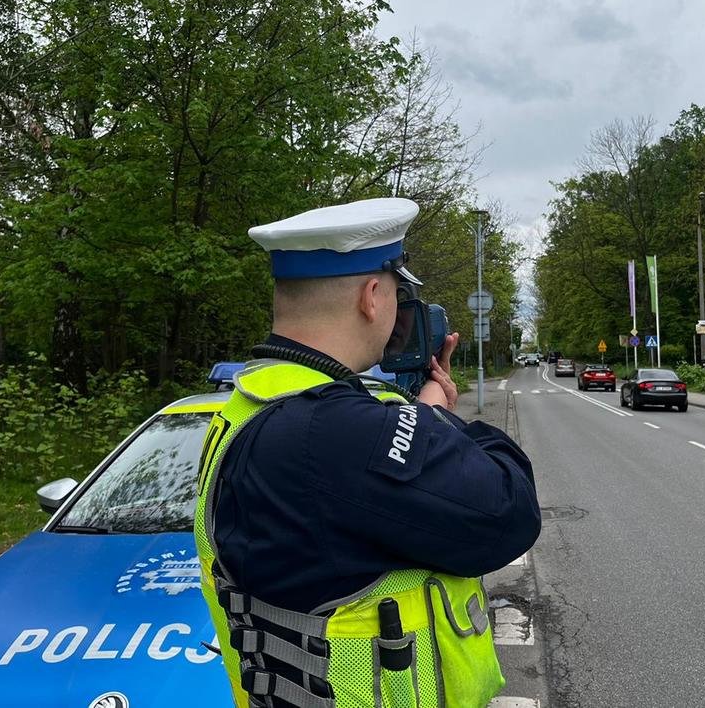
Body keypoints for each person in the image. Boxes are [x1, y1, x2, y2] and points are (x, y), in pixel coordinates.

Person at [194, 197, 541, 708]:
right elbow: (509, 509)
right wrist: (439, 418)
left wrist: (413, 418)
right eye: (400, 295)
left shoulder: (247, 407)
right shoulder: (336, 429)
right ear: (373, 297)